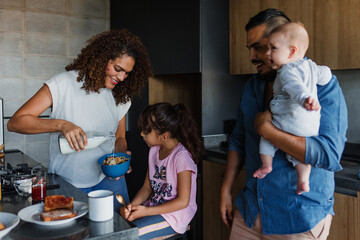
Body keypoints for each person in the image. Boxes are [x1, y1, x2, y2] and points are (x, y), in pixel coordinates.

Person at [219, 8, 348, 240]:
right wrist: (226, 190)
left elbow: (328, 155)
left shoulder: (321, 87)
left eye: (259, 47)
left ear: (286, 48)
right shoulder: (252, 87)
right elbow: (238, 139)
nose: (252, 57)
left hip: (298, 220)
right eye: (250, 49)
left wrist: (267, 130)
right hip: (249, 213)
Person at [7, 29, 152, 212]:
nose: (122, 78)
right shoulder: (63, 84)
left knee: (118, 233)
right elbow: (16, 122)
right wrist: (62, 125)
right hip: (69, 183)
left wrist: (119, 160)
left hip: (109, 182)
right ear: (103, 58)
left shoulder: (119, 95)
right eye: (118, 69)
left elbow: (119, 137)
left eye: (127, 73)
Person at [253, 22, 332, 195]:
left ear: (292, 51)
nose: (267, 54)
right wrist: (328, 74)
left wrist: (305, 99)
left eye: (272, 48)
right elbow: (325, 74)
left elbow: (294, 86)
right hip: (309, 129)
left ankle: (267, 165)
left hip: (286, 121)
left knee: (266, 138)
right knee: (301, 158)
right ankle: (303, 180)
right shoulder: (311, 66)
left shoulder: (286, 71)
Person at [120, 102, 204, 240]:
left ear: (163, 136)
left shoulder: (181, 157)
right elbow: (147, 188)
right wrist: (131, 207)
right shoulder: (154, 151)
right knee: (121, 229)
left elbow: (183, 201)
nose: (141, 134)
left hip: (176, 216)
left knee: (130, 236)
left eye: (147, 130)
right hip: (155, 208)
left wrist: (146, 212)